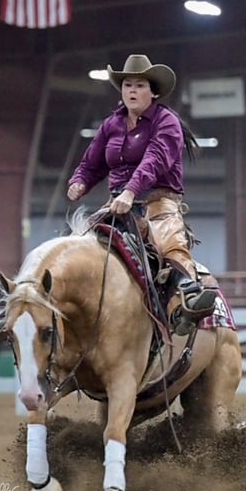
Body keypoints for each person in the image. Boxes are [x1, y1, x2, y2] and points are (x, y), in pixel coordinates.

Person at [67, 54, 215, 336]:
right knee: (75, 243)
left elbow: (155, 159)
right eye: (127, 85)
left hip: (158, 201)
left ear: (154, 91)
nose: (132, 91)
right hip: (117, 204)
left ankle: (188, 296)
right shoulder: (111, 124)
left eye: (139, 85)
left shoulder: (166, 122)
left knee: (169, 241)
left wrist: (131, 191)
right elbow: (92, 161)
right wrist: (79, 181)